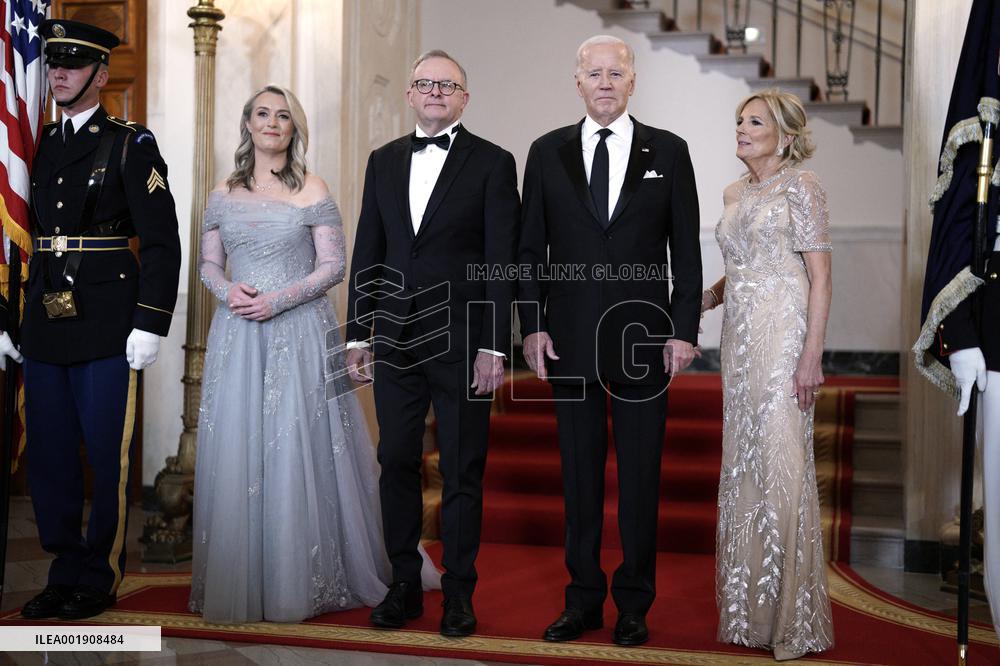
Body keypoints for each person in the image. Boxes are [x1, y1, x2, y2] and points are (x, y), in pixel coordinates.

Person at [188, 85, 437, 624]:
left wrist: (276, 299)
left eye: (282, 116)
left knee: (298, 448)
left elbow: (333, 267)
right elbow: (208, 264)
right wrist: (228, 291)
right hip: (238, 334)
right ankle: (247, 576)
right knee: (242, 448)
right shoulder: (221, 191)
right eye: (261, 114)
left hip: (299, 331)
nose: (272, 123)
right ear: (247, 124)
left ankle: (302, 577)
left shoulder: (313, 188)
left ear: (294, 128)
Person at [517, 35, 702, 647]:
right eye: (593, 73)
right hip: (569, 338)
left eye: (615, 73)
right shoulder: (545, 153)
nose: (604, 82)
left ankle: (633, 605)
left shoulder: (669, 152)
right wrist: (532, 324)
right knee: (579, 480)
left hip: (643, 340)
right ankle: (582, 601)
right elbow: (529, 250)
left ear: (632, 82)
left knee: (641, 480)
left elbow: (687, 251)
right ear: (577, 82)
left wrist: (682, 331)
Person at [7, 19, 182, 621]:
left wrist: (152, 323)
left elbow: (162, 241)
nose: (58, 71)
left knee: (107, 455)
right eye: (53, 62)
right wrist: (14, 317)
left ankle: (99, 574)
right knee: (51, 455)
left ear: (101, 75)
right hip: (47, 321)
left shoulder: (132, 144)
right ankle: (62, 570)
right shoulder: (42, 144)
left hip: (110, 323)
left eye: (73, 63)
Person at [345, 50, 520, 637]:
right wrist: (356, 335)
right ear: (410, 95)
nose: (436, 93)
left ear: (464, 98)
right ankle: (403, 584)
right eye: (426, 84)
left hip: (464, 340)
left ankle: (459, 593)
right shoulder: (383, 160)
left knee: (464, 470)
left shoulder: (495, 163)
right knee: (393, 457)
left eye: (448, 85)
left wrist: (496, 345)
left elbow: (502, 259)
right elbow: (368, 248)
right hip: (394, 337)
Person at [700, 89, 834, 660]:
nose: (741, 129)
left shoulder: (802, 187)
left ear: (784, 134)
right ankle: (749, 615)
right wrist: (706, 296)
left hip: (784, 341)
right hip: (740, 342)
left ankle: (792, 621)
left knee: (782, 465)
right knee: (746, 465)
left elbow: (820, 277)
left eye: (754, 121)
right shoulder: (734, 192)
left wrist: (812, 355)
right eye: (738, 120)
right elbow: (743, 267)